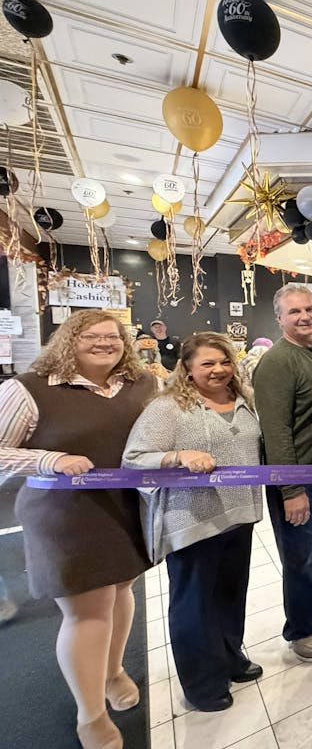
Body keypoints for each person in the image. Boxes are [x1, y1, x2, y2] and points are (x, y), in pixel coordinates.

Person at [0, 310, 154, 749]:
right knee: (88, 611)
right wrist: (50, 459)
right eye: (91, 336)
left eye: (113, 336)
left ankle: (112, 672)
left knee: (121, 590)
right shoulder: (28, 389)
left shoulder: (142, 384)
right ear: (68, 340)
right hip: (65, 515)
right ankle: (91, 715)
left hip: (125, 507)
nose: (105, 343)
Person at [123, 333, 263, 713]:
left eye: (224, 361)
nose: (219, 370)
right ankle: (202, 684)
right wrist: (177, 456)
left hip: (240, 516)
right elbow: (133, 458)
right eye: (207, 363)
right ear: (186, 368)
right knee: (195, 604)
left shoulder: (243, 399)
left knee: (231, 594)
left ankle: (230, 657)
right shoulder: (168, 407)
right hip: (193, 520)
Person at [252, 284, 312, 664]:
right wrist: (290, 489)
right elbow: (276, 432)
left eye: (308, 309)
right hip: (300, 477)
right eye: (294, 312)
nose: (304, 316)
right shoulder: (276, 363)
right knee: (299, 558)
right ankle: (302, 629)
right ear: (279, 319)